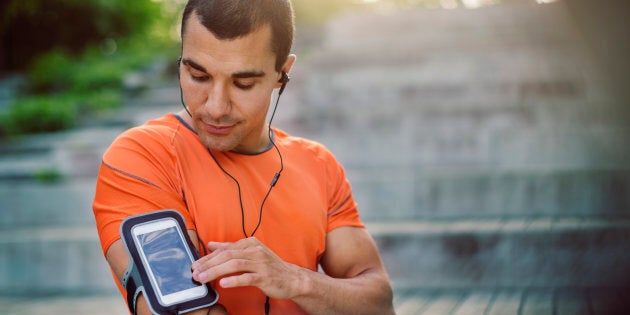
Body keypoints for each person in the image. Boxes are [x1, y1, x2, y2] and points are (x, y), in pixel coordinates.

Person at [92, 0, 395, 314]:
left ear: (282, 74)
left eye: (243, 83)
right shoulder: (140, 157)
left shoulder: (319, 165)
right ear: (181, 63)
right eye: (198, 76)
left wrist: (296, 280)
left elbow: (378, 303)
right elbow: (182, 309)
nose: (216, 107)